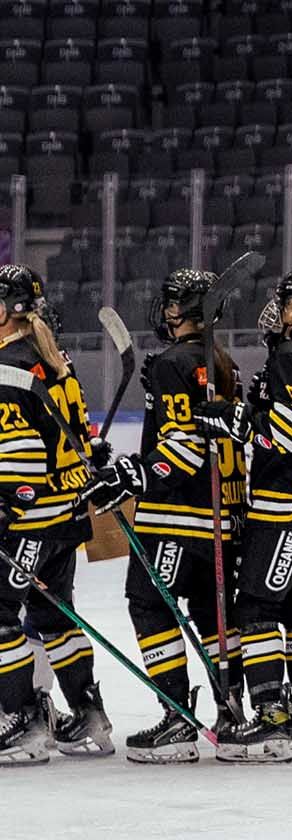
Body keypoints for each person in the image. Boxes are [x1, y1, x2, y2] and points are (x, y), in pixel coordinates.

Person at [83, 269, 244, 763]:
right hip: (221, 515)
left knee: (148, 603)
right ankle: (232, 710)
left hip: (179, 517)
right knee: (216, 616)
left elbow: (184, 446)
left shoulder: (175, 362)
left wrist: (134, 475)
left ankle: (177, 715)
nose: (165, 310)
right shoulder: (220, 361)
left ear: (181, 311)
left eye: (171, 303)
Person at [198, 266, 292, 762]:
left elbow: (288, 436)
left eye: (285, 300)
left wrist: (234, 419)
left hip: (287, 510)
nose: (278, 308)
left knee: (259, 609)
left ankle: (270, 719)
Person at [0, 265, 99, 765]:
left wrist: (2, 510)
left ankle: (23, 722)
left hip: (29, 523)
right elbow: (82, 437)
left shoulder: (5, 369)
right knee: (54, 618)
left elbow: (18, 462)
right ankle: (88, 714)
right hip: (66, 516)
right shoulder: (55, 360)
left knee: (0, 616)